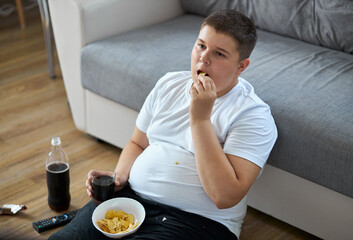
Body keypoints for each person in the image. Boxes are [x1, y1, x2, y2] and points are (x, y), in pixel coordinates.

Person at [50, 9, 277, 240]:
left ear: (241, 66)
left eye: (219, 53)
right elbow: (138, 143)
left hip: (197, 222)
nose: (204, 58)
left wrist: (200, 120)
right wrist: (118, 177)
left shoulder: (253, 115)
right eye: (201, 45)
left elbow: (224, 196)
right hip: (132, 200)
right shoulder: (169, 84)